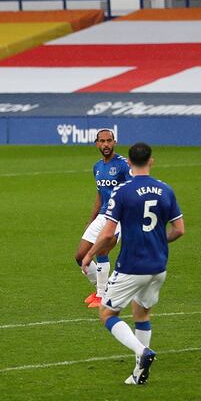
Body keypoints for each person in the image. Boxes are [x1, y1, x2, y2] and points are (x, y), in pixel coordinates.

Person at [82, 142, 184, 385]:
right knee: (141, 313)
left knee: (107, 313)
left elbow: (107, 235)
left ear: (129, 162)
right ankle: (139, 373)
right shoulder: (166, 190)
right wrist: (158, 241)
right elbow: (179, 229)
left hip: (131, 265)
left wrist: (89, 255)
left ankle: (142, 352)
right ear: (151, 161)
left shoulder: (123, 192)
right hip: (158, 266)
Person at [75, 129, 131, 308]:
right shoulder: (97, 167)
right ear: (97, 144)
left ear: (114, 142)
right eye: (102, 141)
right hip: (102, 216)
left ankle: (101, 296)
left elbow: (134, 187)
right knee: (80, 256)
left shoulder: (123, 165)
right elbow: (100, 195)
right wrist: (91, 219)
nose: (106, 144)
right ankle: (104, 289)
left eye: (109, 141)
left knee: (102, 252)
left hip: (118, 217)